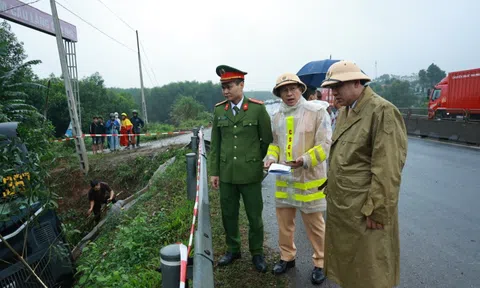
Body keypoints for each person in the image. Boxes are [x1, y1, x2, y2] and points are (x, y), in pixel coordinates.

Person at [320, 60, 408, 288]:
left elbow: (387, 168)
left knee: (371, 271)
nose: (333, 92)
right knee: (350, 268)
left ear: (358, 82)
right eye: (331, 87)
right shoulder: (345, 112)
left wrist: (377, 211)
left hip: (364, 211)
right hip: (345, 209)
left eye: (337, 86)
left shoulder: (382, 111)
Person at [264, 73, 332, 285]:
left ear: (301, 89)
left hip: (309, 178)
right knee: (285, 223)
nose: (289, 93)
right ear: (279, 94)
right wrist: (270, 157)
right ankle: (287, 257)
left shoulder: (317, 111)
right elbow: (275, 143)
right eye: (284, 90)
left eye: (292, 88)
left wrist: (304, 160)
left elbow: (325, 145)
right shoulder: (277, 116)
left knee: (315, 225)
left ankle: (321, 262)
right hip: (285, 178)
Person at [208, 65, 273, 272]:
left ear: (241, 85)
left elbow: (267, 140)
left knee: (254, 216)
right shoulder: (219, 110)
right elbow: (216, 144)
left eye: (229, 86)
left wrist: (255, 160)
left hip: (251, 173)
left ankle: (257, 252)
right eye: (223, 87)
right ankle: (233, 249)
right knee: (229, 214)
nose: (225, 91)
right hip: (227, 174)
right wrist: (214, 172)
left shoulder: (257, 109)